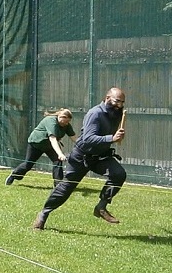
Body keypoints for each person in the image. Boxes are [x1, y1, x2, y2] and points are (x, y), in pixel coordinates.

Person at [32, 87, 127, 229]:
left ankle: (101, 207)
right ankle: (43, 214)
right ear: (107, 98)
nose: (119, 105)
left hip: (100, 156)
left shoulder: (117, 114)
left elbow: (112, 134)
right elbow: (88, 138)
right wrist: (111, 138)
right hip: (81, 157)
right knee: (65, 188)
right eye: (116, 101)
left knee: (119, 174)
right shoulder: (95, 114)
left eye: (122, 102)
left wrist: (117, 136)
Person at [5, 108, 77, 188]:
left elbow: (73, 137)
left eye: (68, 122)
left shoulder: (66, 125)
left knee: (58, 161)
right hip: (36, 144)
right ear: (60, 117)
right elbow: (52, 139)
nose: (67, 124)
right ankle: (14, 175)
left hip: (49, 146)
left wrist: (83, 146)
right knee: (28, 164)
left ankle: (58, 185)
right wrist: (60, 153)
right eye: (66, 121)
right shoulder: (51, 121)